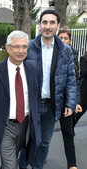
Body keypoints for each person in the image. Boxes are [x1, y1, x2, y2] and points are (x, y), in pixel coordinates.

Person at [18, 10, 77, 169]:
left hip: (52, 105)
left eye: (52, 23)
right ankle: (21, 165)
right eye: (44, 22)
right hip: (31, 104)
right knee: (29, 141)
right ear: (39, 25)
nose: (48, 26)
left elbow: (71, 78)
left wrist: (70, 103)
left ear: (58, 25)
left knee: (44, 142)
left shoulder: (65, 50)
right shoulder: (28, 47)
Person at [0, 30, 41, 169]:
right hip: (4, 126)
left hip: (25, 125)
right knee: (11, 165)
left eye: (24, 47)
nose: (21, 51)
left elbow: (36, 97)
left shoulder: (34, 69)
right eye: (16, 46)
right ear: (7, 47)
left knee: (10, 161)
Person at [57, 27, 82, 169]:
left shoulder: (73, 54)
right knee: (40, 133)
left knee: (68, 132)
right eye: (60, 38)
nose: (63, 41)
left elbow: (76, 80)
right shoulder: (50, 52)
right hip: (52, 100)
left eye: (66, 38)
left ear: (70, 41)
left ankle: (71, 164)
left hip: (67, 100)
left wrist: (76, 101)